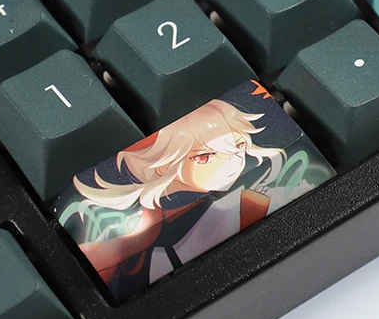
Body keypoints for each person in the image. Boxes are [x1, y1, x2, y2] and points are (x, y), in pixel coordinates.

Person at [64, 96, 302, 299]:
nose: (234, 161)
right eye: (205, 157)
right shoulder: (138, 225)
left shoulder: (250, 204)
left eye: (239, 146)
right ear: (163, 166)